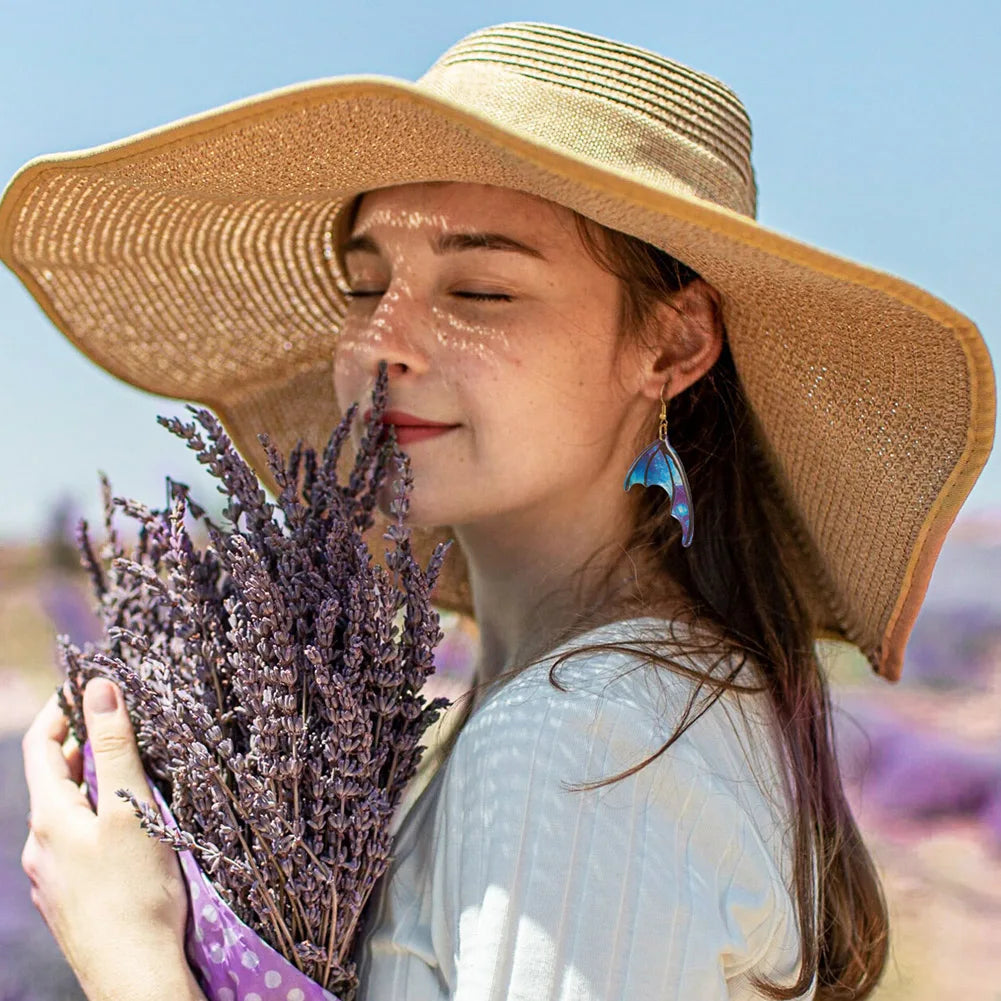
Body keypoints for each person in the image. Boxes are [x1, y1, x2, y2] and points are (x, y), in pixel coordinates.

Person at [7, 20, 995, 1001]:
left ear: (670, 347)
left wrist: (126, 949)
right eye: (364, 285)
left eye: (478, 288)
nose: (381, 343)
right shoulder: (623, 706)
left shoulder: (580, 741)